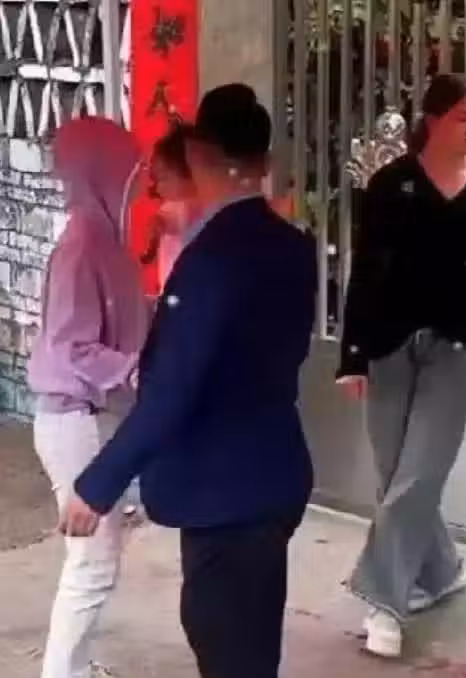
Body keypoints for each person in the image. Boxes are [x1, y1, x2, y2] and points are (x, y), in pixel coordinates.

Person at [58, 83, 318, 678]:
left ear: (199, 155)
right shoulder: (291, 245)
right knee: (246, 639)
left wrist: (97, 485)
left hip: (226, 489)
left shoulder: (212, 261)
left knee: (226, 644)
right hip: (272, 470)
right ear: (263, 159)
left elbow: (172, 389)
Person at [337, 72, 466, 657]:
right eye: (463, 118)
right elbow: (365, 270)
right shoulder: (389, 184)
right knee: (395, 473)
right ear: (433, 119)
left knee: (419, 473)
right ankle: (442, 571)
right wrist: (352, 356)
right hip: (388, 343)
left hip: (457, 347)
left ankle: (384, 601)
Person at [27, 116, 151, 678]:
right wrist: (136, 370)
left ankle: (71, 665)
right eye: (129, 168)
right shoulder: (82, 246)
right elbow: (72, 345)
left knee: (92, 559)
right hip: (74, 419)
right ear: (102, 170)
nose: (138, 179)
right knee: (93, 563)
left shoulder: (104, 240)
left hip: (92, 417)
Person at [140, 124, 200, 290]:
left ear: (189, 174)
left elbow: (164, 221)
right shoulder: (177, 206)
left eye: (163, 179)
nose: (157, 187)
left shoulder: (180, 206)